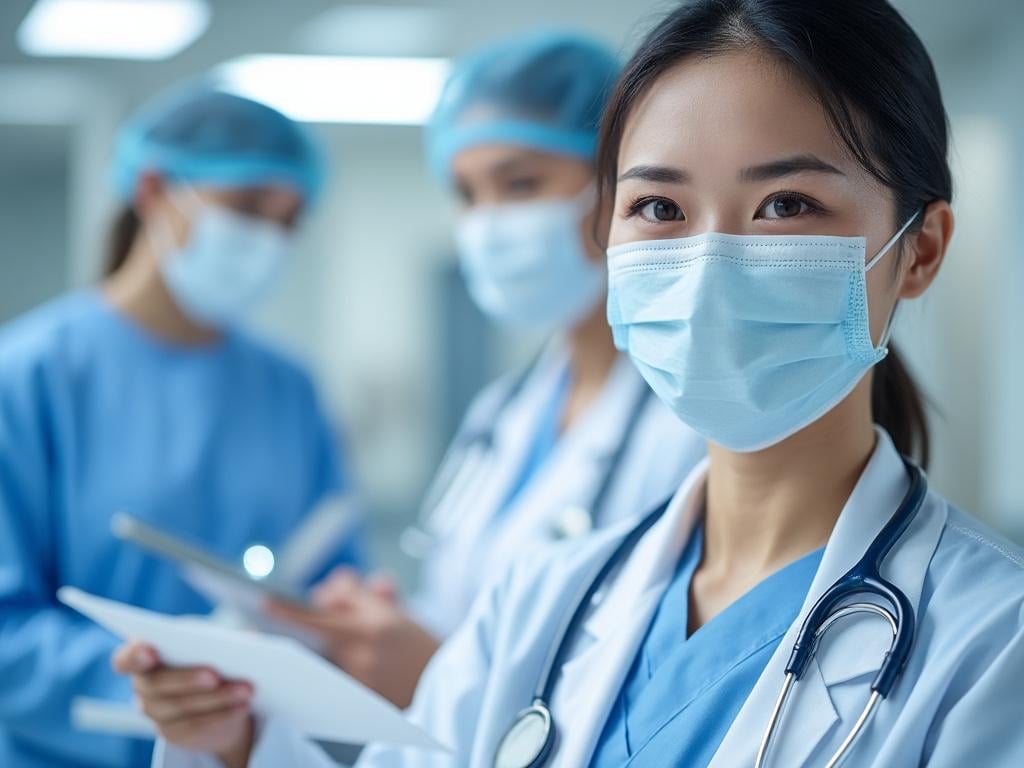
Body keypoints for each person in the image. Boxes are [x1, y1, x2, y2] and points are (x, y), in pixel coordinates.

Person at [118, 1, 1024, 766]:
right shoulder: (545, 598)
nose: (707, 263)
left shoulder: (991, 645)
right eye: (658, 208)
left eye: (786, 205)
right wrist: (240, 743)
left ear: (922, 250)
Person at [257, 30, 707, 709]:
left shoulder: (695, 421)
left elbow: (680, 688)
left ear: (619, 179)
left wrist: (441, 676)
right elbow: (460, 608)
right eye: (467, 194)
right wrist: (384, 634)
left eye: (521, 183)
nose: (490, 221)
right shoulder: (502, 413)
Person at [0, 84, 366, 768]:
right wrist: (159, 675)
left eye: (290, 221)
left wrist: (343, 622)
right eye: (250, 209)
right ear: (152, 190)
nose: (269, 240)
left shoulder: (288, 388)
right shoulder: (28, 377)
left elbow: (334, 567)